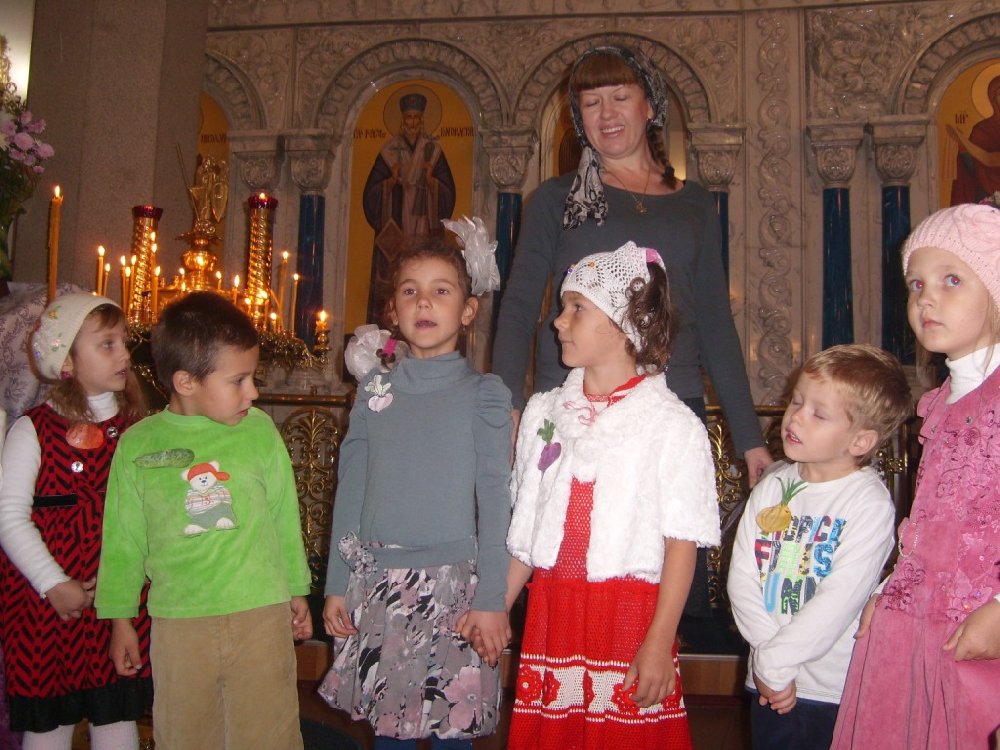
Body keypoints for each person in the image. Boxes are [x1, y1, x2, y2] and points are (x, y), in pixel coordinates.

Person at [492, 43, 770, 483]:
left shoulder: (695, 204)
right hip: (574, 406)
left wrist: (750, 437)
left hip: (670, 405)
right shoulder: (555, 199)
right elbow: (518, 309)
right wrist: (505, 405)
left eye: (620, 97)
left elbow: (715, 320)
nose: (607, 114)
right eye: (591, 103)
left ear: (650, 106)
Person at [503, 241, 720, 749]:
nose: (558, 322)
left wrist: (659, 641)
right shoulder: (544, 413)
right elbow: (527, 531)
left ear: (627, 323)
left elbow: (682, 543)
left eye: (577, 307)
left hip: (628, 616)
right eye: (562, 307)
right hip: (554, 610)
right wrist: (498, 604)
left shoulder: (672, 425)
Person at [95, 291, 312, 750]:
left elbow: (283, 515)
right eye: (238, 380)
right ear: (186, 382)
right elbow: (123, 540)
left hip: (260, 615)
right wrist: (120, 618)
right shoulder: (138, 445)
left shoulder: (259, 431)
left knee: (269, 735)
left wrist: (296, 589)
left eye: (252, 378)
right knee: (186, 735)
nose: (253, 393)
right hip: (179, 625)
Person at [318, 234, 511, 750]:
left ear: (468, 311)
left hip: (456, 590)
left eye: (441, 291)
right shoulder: (373, 392)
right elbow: (351, 491)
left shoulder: (484, 395)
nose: (423, 302)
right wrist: (338, 582)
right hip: (380, 586)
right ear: (393, 309)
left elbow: (496, 501)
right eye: (410, 291)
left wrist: (492, 598)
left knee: (452, 731)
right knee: (391, 734)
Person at [832, 204, 1000, 748]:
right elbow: (928, 523)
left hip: (975, 625)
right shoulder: (941, 404)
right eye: (916, 284)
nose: (926, 298)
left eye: (952, 280)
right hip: (915, 623)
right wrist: (891, 589)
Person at [727, 344, 912, 750]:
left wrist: (777, 662)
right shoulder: (773, 484)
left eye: (818, 413)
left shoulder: (867, 502)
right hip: (768, 680)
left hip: (827, 688)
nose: (795, 416)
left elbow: (840, 599)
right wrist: (769, 663)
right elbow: (742, 579)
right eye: (797, 401)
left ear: (860, 440)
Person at [0, 293, 151, 749]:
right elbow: (9, 516)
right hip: (44, 604)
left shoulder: (138, 431)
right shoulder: (33, 429)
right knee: (48, 726)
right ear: (66, 361)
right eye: (107, 344)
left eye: (123, 342)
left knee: (116, 716)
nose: (125, 355)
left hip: (118, 601)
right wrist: (53, 582)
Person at [363, 91, 457, 323]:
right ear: (402, 121)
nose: (412, 123)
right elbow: (371, 195)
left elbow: (448, 193)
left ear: (422, 120)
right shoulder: (389, 150)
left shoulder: (432, 150)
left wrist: (432, 181)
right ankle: (392, 321)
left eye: (416, 118)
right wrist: (390, 182)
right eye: (408, 118)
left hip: (424, 222)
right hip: (398, 224)